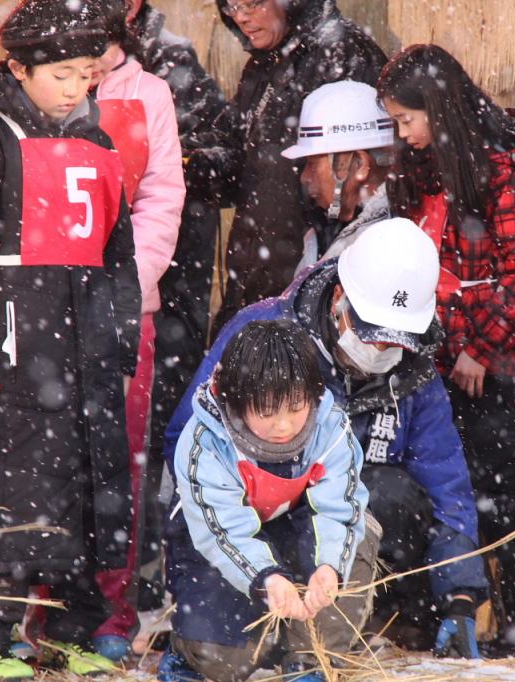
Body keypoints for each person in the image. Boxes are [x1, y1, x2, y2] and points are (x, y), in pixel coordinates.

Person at [0, 0, 142, 677]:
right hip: (15, 356)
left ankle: (68, 630)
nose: (77, 88)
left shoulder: (99, 144)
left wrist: (122, 340)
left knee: (85, 495)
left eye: (87, 75)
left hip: (87, 354)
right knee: (11, 496)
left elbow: (120, 254)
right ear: (17, 68)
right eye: (63, 75)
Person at [165, 218, 487, 659]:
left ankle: (352, 630)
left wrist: (461, 594)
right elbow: (188, 439)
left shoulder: (415, 376)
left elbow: (445, 481)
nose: (379, 351)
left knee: (393, 496)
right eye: (371, 334)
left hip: (333, 530)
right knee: (221, 657)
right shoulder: (264, 334)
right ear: (339, 299)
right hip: (246, 516)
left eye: (395, 341)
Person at [377, 44, 515, 658]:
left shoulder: (504, 164)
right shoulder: (436, 167)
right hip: (445, 362)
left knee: (512, 498)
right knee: (460, 499)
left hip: (494, 368)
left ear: (437, 108)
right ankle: (479, 628)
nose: (404, 135)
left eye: (408, 119)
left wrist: (482, 348)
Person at [157, 319, 377, 682]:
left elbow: (340, 507)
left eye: (295, 406)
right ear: (237, 399)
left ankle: (308, 659)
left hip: (297, 533)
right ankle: (189, 650)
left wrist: (328, 568)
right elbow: (223, 532)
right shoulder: (205, 442)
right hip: (220, 550)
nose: (284, 426)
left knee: (360, 534)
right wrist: (266, 578)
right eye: (267, 410)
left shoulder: (330, 427)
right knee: (222, 662)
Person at [193, 0, 388, 339]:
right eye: (229, 5)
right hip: (256, 279)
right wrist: (191, 166)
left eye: (251, 2)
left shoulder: (343, 54)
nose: (240, 16)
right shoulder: (263, 65)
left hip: (309, 291)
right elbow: (241, 165)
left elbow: (356, 195)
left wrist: (318, 284)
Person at [88, 0, 185, 661]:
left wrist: (125, 283)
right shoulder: (13, 89)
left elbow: (161, 199)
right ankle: (43, 604)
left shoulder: (147, 94)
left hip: (126, 308)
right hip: (42, 309)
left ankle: (109, 607)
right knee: (47, 458)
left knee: (118, 461)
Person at [124, 0, 229, 597]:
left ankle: (150, 572)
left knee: (160, 432)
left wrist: (172, 162)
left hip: (169, 287)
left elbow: (219, 161)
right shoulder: (41, 57)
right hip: (96, 291)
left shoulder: (171, 64)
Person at [281, 80, 395, 271]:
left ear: (359, 164)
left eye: (313, 165)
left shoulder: (388, 245)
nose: (304, 177)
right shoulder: (325, 231)